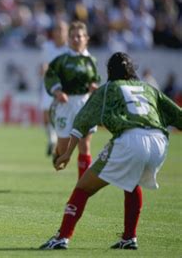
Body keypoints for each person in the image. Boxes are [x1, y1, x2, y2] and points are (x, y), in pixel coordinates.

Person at [40, 52, 182, 250]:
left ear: (109, 71)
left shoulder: (108, 89)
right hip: (159, 143)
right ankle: (129, 238)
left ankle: (62, 237)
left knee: (83, 188)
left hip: (130, 140)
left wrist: (66, 154)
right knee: (131, 183)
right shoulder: (148, 88)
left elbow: (81, 122)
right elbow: (178, 116)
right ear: (132, 70)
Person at [44, 21, 100, 179]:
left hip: (85, 103)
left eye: (80, 36)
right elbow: (50, 76)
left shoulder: (91, 61)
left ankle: (82, 185)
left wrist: (93, 86)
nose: (76, 39)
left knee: (84, 144)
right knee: (64, 148)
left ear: (86, 39)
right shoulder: (62, 60)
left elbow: (95, 79)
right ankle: (58, 153)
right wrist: (57, 91)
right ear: (68, 39)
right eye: (73, 36)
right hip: (65, 104)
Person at [39, 20, 69, 156]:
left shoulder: (70, 49)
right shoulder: (47, 46)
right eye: (57, 29)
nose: (59, 32)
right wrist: (43, 70)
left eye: (62, 29)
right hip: (49, 85)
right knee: (46, 113)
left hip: (65, 87)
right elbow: (42, 65)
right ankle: (52, 138)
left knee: (63, 116)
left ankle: (62, 144)